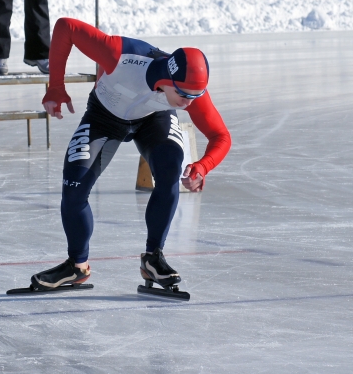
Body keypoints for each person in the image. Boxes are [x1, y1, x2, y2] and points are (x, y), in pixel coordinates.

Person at [28, 17, 232, 291]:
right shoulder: (118, 54)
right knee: (74, 187)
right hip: (104, 117)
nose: (189, 103)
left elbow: (221, 136)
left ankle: (153, 259)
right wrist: (55, 86)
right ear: (168, 78)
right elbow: (66, 27)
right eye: (184, 94)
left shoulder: (191, 95)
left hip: (153, 119)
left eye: (196, 95)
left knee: (171, 169)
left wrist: (203, 166)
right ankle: (76, 266)